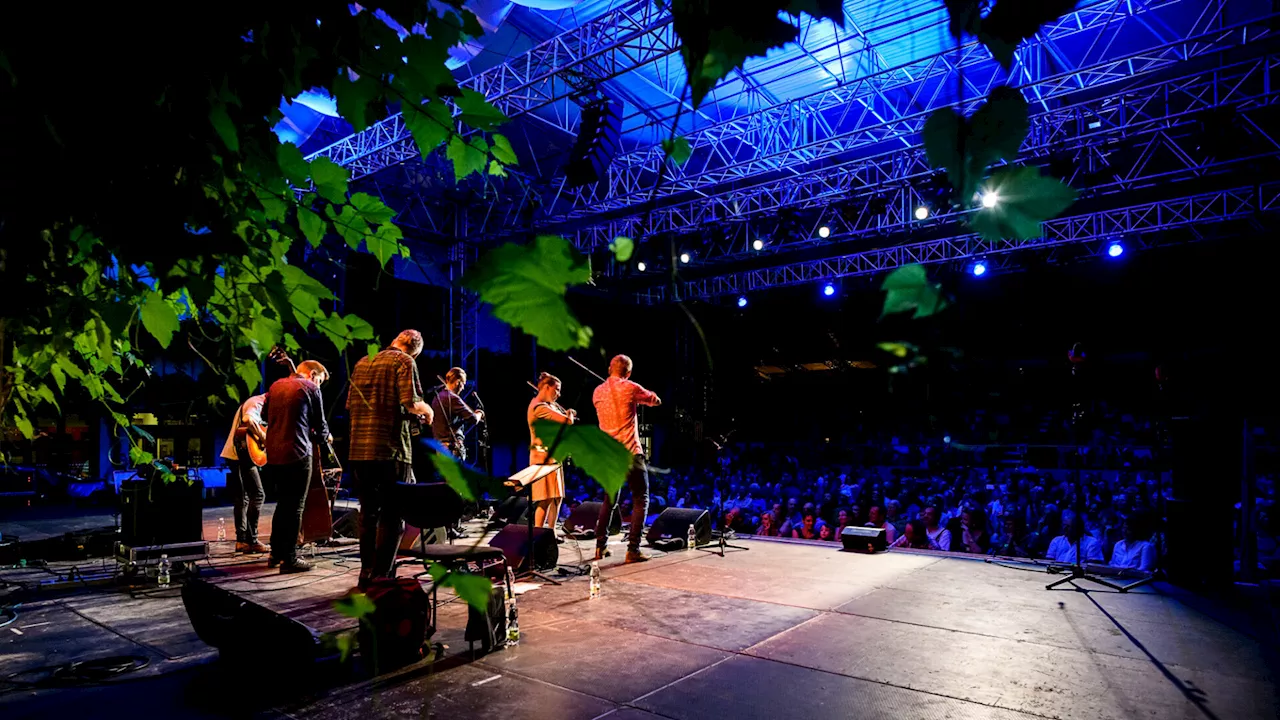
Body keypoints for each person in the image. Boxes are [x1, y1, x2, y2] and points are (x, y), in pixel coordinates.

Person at [347, 329, 434, 590]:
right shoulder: (404, 361)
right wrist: (427, 412)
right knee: (393, 516)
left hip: (359, 449)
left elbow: (351, 405)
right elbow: (411, 402)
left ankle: (366, 572)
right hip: (391, 448)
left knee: (368, 514)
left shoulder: (363, 361)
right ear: (414, 350)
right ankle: (382, 577)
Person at [262, 360, 331, 573]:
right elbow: (320, 426)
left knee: (283, 504)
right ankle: (290, 558)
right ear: (312, 374)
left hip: (274, 454)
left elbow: (264, 416)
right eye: (319, 380)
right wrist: (324, 437)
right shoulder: (311, 388)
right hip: (298, 453)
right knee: (296, 507)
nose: (318, 385)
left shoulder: (275, 386)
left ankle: (275, 553)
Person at [592, 354, 661, 564]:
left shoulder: (597, 392)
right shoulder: (631, 388)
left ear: (609, 369)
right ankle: (633, 549)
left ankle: (600, 547)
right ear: (628, 372)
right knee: (641, 499)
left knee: (609, 499)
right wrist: (651, 398)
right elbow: (654, 400)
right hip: (629, 451)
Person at [219, 393, 269, 553]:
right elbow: (247, 420)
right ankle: (252, 540)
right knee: (258, 495)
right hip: (240, 454)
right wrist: (263, 437)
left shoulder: (261, 405)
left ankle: (242, 541)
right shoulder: (257, 402)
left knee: (243, 498)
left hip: (237, 454)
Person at [528, 372, 575, 532]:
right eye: (557, 390)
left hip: (553, 457)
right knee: (545, 499)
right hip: (543, 459)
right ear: (546, 387)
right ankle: (538, 533)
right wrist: (569, 414)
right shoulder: (539, 407)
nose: (559, 394)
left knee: (557, 497)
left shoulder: (547, 405)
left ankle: (551, 532)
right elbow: (567, 422)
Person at [429, 367, 483, 459]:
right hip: (451, 448)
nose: (463, 388)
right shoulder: (453, 399)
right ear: (457, 382)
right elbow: (473, 419)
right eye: (463, 384)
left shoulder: (437, 397)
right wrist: (480, 413)